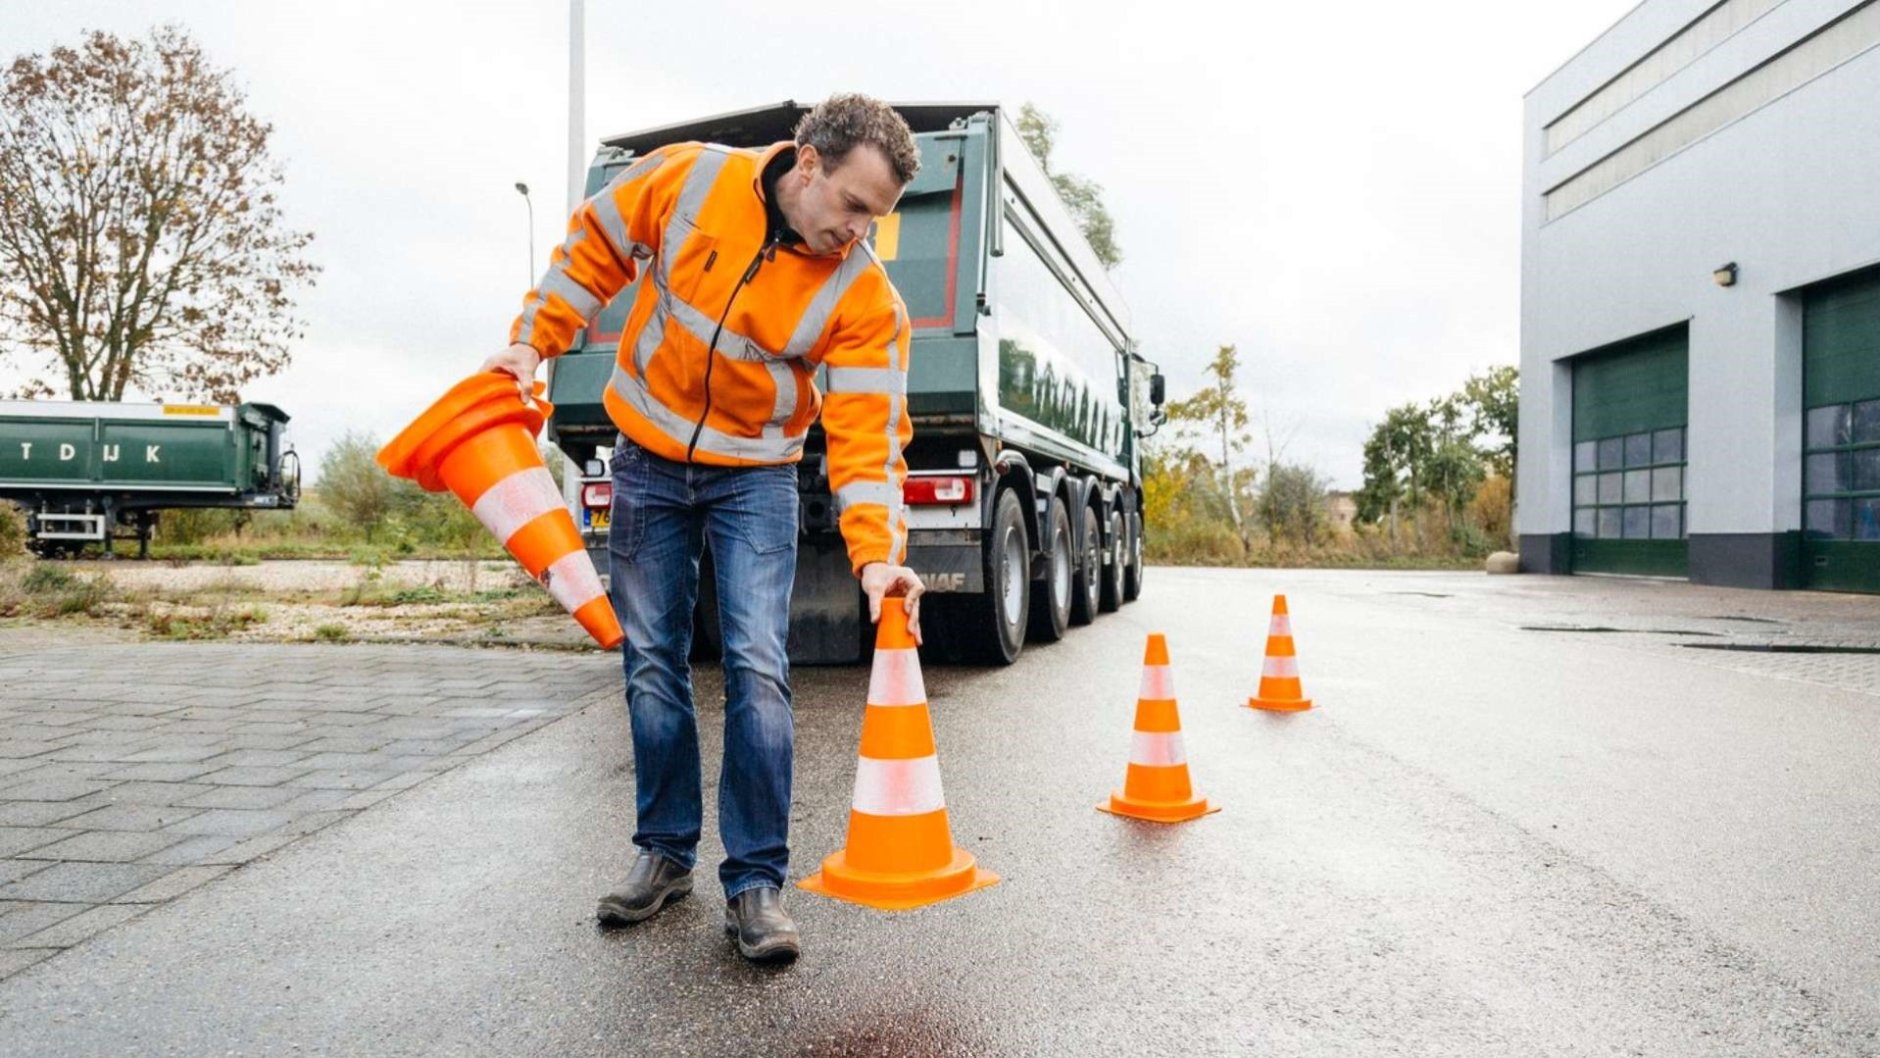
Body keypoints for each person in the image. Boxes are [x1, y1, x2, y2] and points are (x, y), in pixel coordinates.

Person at [481, 94, 925, 963]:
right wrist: (530, 344)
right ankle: (665, 853)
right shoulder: (690, 177)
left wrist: (877, 557)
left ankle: (756, 882)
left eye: (876, 218)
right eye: (853, 205)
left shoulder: (866, 297)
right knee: (652, 660)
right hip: (646, 460)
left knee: (758, 664)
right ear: (807, 164)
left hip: (756, 479)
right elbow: (592, 253)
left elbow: (871, 437)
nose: (861, 232)